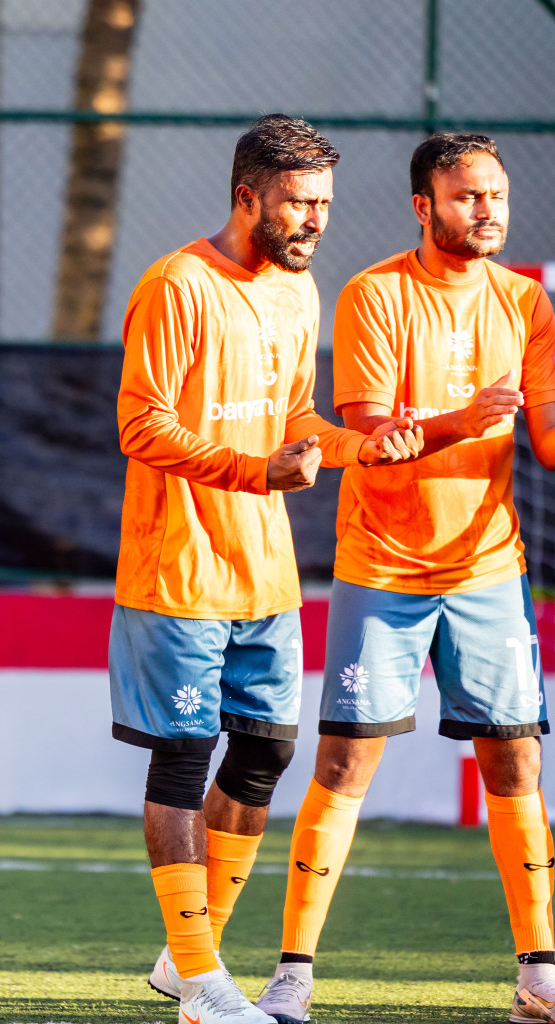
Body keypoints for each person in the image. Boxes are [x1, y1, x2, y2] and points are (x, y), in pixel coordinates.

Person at [110, 116, 424, 1024]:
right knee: (181, 763)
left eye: (323, 203)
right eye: (299, 201)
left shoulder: (298, 290)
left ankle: (184, 961)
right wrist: (256, 471)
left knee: (266, 752)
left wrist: (365, 447)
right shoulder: (175, 286)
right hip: (177, 572)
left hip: (266, 574)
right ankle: (205, 983)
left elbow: (296, 420)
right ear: (248, 195)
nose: (315, 220)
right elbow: (141, 426)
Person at [254, 133, 555, 1024]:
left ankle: (539, 977)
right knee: (346, 761)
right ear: (424, 206)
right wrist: (467, 418)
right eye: (468, 197)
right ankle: (293, 977)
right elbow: (376, 444)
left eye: (497, 194)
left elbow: (546, 439)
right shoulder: (376, 295)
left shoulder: (525, 303)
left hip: (489, 567)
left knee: (517, 759)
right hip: (383, 567)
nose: (489, 209)